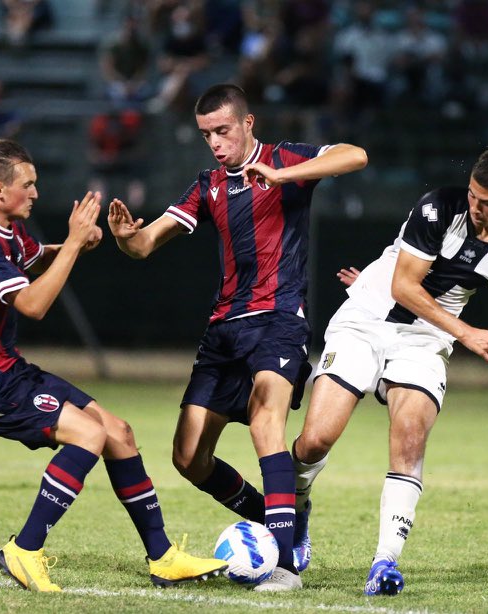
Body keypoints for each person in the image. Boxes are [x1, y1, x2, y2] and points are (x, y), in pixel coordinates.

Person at [0, 138, 226, 592]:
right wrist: (69, 244)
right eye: (27, 185)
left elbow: (33, 259)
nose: (35, 193)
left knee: (119, 432)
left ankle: (163, 557)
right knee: (89, 435)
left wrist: (76, 245)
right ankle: (24, 551)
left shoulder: (8, 231)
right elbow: (32, 304)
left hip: (6, 368)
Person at [107, 83, 367, 591]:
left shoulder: (284, 158)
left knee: (265, 420)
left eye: (223, 131)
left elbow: (355, 156)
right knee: (188, 458)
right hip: (224, 329)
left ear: (248, 124)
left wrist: (282, 174)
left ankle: (285, 566)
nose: (216, 142)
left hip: (279, 318)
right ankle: (281, 516)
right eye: (207, 134)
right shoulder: (206, 186)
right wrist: (125, 240)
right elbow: (145, 244)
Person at [290, 146, 488, 596]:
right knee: (317, 439)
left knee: (410, 437)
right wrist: (465, 333)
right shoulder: (437, 206)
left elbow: (447, 286)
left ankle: (385, 563)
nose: (475, 206)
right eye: (473, 195)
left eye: (487, 203)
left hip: (424, 338)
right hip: (366, 318)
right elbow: (404, 285)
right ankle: (299, 510)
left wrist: (445, 326)